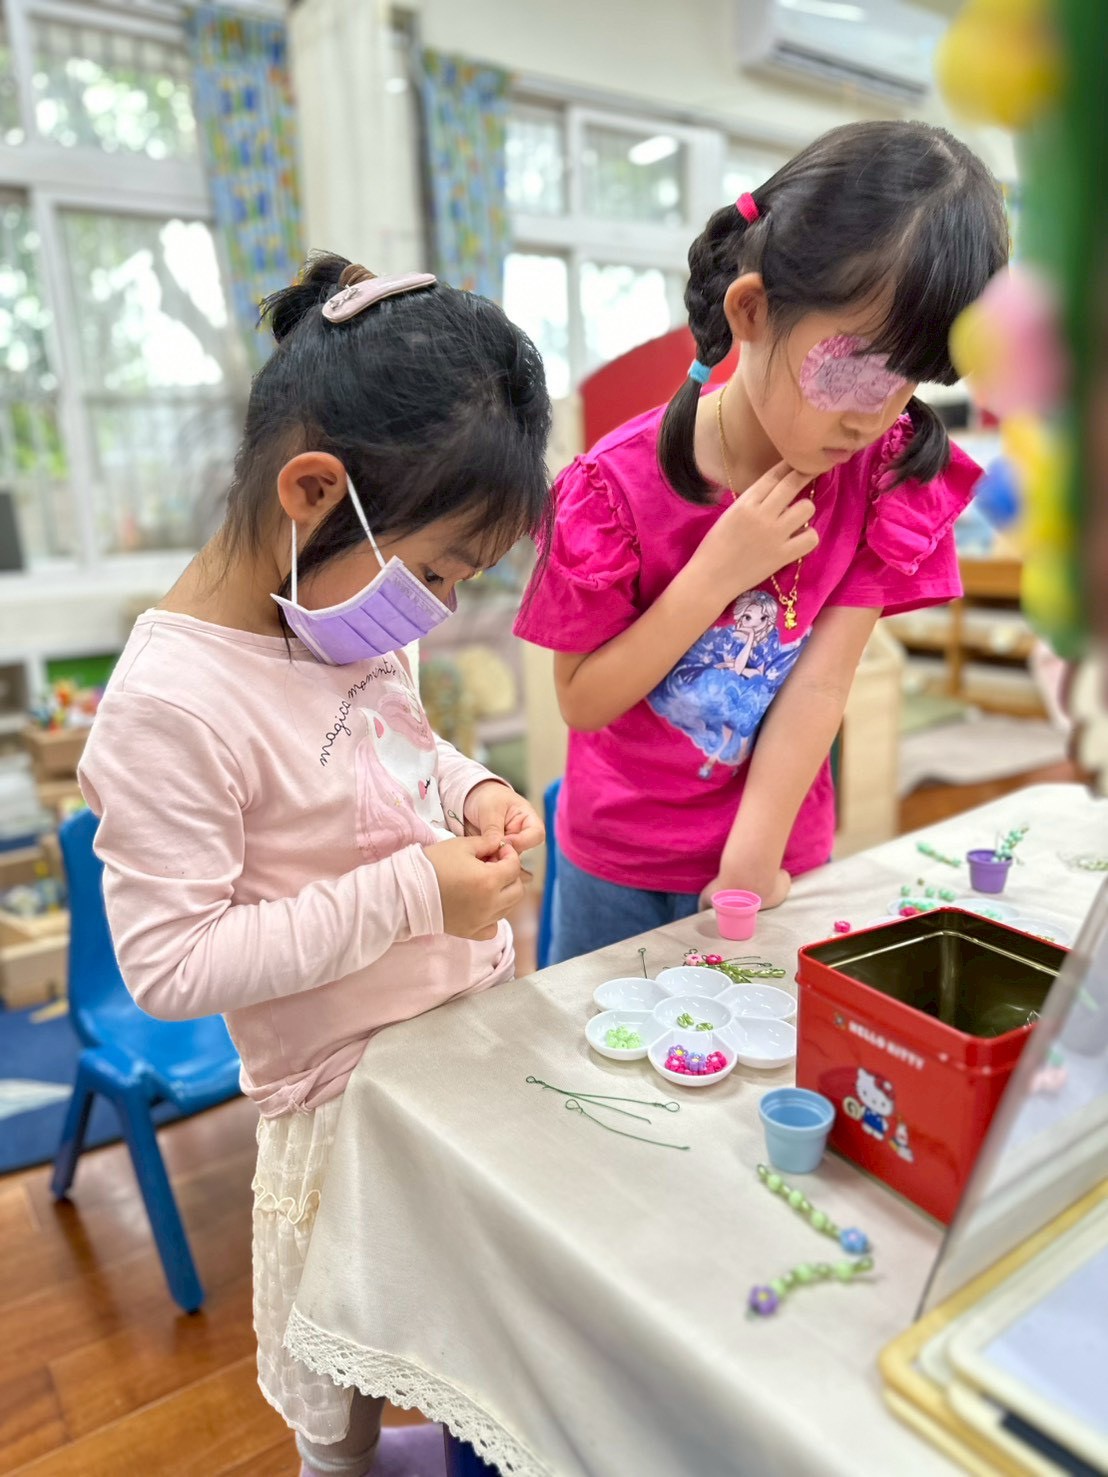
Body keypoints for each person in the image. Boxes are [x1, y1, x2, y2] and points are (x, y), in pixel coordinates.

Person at [78, 258, 552, 1477]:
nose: (436, 608)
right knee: (338, 1389)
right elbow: (173, 966)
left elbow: (402, 747)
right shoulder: (170, 707)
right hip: (344, 1103)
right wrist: (416, 892)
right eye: (435, 571)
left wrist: (472, 788)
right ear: (311, 491)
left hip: (456, 1046)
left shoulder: (333, 608)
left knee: (468, 1343)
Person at [515, 120, 1009, 962]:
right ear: (750, 311)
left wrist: (753, 851)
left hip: (775, 851)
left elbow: (821, 684)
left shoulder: (884, 480)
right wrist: (716, 572)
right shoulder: (613, 488)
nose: (872, 417)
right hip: (618, 858)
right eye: (855, 370)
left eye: (908, 382)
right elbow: (583, 700)